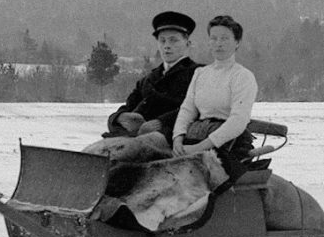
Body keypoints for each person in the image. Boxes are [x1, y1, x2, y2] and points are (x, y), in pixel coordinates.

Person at [92, 10, 202, 165]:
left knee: (124, 155)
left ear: (188, 44)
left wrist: (161, 123)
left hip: (168, 141)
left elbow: (198, 108)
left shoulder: (198, 74)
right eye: (162, 41)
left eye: (173, 41)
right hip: (132, 139)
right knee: (94, 153)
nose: (167, 46)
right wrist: (119, 118)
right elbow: (128, 106)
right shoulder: (148, 79)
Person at [173, 15, 262, 181]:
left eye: (224, 38)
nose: (218, 43)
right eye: (213, 38)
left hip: (227, 142)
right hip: (195, 136)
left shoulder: (242, 76)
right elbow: (187, 109)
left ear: (237, 42)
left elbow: (238, 120)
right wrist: (178, 139)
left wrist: (203, 147)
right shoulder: (201, 74)